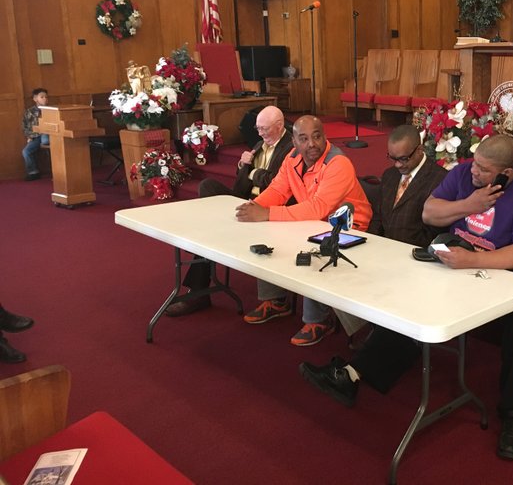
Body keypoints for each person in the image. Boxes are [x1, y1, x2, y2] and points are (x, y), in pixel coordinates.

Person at [420, 134, 513, 461]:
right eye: (475, 162)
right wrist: (468, 204)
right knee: (415, 290)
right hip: (464, 265)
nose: (474, 173)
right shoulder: (463, 174)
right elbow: (429, 212)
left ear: (506, 174)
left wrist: (476, 260)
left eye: (484, 170)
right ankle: (363, 371)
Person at [298, 124, 448, 406]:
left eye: (404, 158)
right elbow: (379, 219)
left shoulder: (440, 179)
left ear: (420, 149)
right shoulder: (390, 175)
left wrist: (408, 261)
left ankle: (351, 371)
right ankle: (363, 334)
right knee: (334, 269)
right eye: (392, 158)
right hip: (386, 255)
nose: (398, 165)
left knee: (400, 307)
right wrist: (371, 250)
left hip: (416, 264)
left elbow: (435, 232)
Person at [235, 115, 373, 346]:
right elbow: (278, 190)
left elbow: (318, 207)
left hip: (350, 228)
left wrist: (268, 213)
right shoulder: (291, 159)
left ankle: (319, 320)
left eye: (317, 136)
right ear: (294, 143)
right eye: (304, 138)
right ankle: (277, 301)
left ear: (325, 136)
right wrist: (256, 207)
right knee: (268, 231)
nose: (312, 144)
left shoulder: (338, 163)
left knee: (315, 248)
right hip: (315, 222)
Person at [165, 106, 294, 317]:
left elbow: (275, 182)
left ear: (279, 127)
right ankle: (212, 233)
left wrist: (252, 171)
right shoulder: (261, 144)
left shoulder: (291, 148)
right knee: (207, 185)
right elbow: (242, 182)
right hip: (246, 197)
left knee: (210, 234)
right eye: (258, 128)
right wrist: (242, 165)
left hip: (269, 206)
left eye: (264, 129)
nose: (259, 133)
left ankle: (198, 290)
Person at [21, 88, 49, 181]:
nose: (45, 99)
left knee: (46, 141)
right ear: (35, 99)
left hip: (48, 134)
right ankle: (33, 172)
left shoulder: (51, 110)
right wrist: (29, 136)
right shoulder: (29, 112)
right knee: (26, 151)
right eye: (42, 97)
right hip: (35, 136)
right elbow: (25, 126)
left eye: (46, 97)